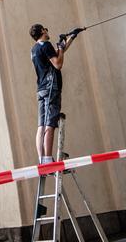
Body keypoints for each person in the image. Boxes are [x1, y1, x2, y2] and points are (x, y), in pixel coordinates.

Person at [30, 23, 76, 162]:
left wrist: (71, 38)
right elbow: (58, 63)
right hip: (52, 88)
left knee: (41, 125)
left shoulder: (35, 49)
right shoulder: (46, 44)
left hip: (42, 89)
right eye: (45, 29)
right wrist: (60, 48)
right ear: (42, 31)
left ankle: (42, 159)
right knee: (50, 124)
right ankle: (48, 160)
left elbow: (55, 55)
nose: (47, 31)